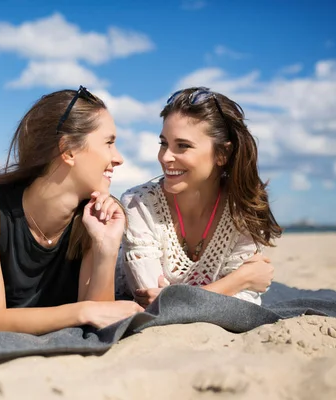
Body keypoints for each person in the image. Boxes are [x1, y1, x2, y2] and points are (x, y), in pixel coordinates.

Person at [0, 86, 143, 335]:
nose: (118, 158)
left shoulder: (97, 214)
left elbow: (101, 317)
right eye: (109, 143)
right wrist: (81, 310)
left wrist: (106, 248)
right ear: (68, 151)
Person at [116, 87, 282, 307]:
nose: (165, 157)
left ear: (222, 154)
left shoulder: (244, 209)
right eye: (163, 143)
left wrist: (173, 298)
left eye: (182, 146)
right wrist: (239, 280)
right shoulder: (139, 203)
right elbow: (155, 305)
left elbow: (244, 305)